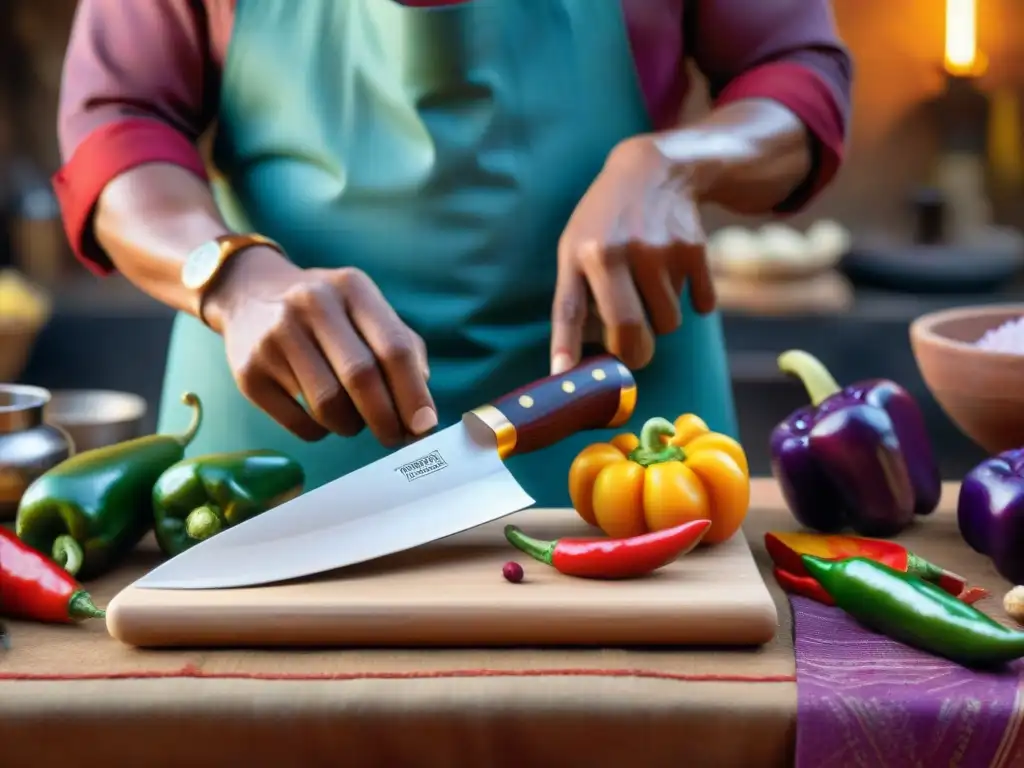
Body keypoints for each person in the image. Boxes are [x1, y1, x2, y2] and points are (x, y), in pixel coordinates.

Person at [54, 0, 852, 506]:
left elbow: (796, 73)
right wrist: (225, 271)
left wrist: (678, 164)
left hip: (619, 439)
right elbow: (117, 122)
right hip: (276, 449)